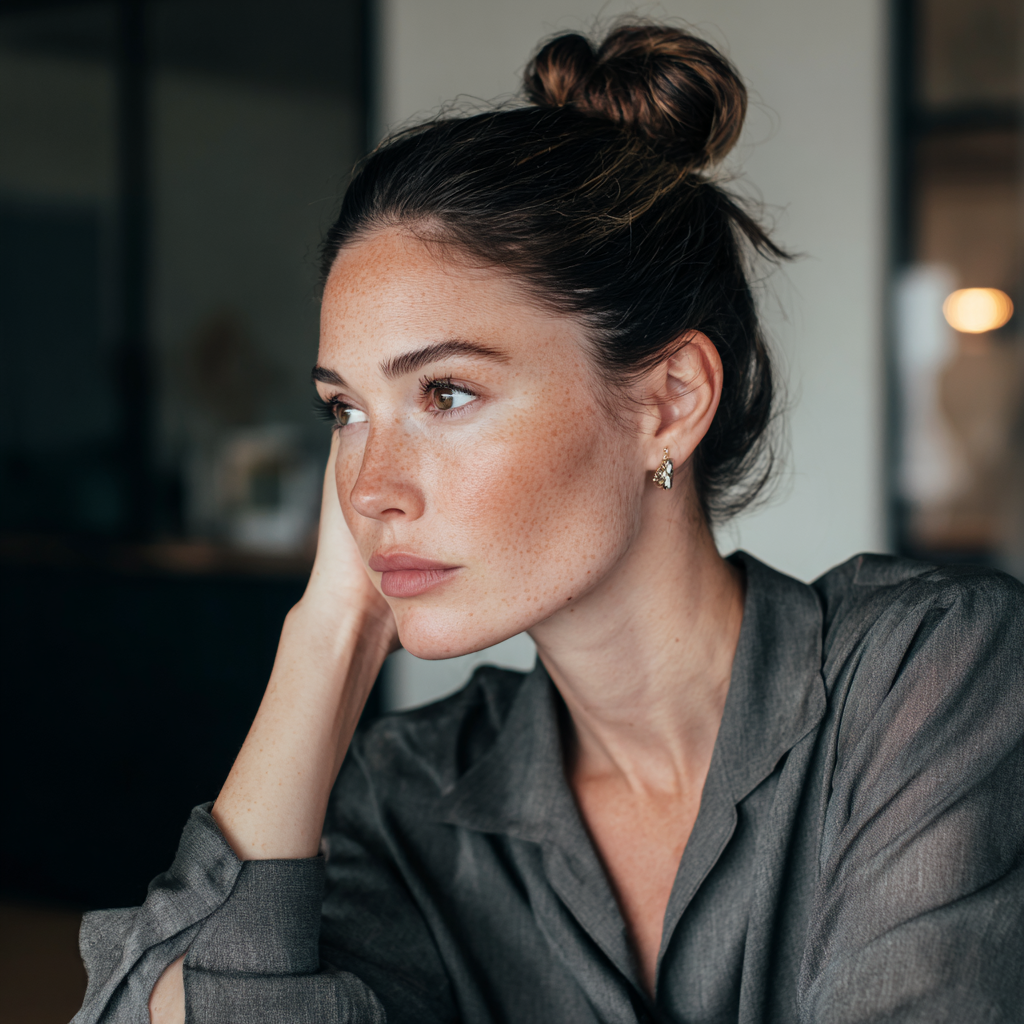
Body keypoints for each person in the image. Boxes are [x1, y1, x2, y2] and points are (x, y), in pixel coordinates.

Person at [74, 23, 1023, 1024]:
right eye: (344, 411)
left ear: (666, 401)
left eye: (445, 393)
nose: (368, 486)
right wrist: (326, 638)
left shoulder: (929, 674)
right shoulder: (405, 797)